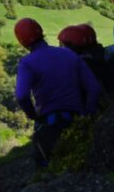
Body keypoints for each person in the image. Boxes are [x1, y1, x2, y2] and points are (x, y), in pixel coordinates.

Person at [14, 18, 102, 166]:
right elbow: (93, 87)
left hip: (49, 122)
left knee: (48, 166)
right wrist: (88, 113)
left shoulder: (27, 63)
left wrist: (33, 115)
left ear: (21, 41)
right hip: (76, 117)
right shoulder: (68, 54)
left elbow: (22, 96)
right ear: (41, 32)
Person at [57, 24, 114, 96]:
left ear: (72, 47)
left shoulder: (80, 66)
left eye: (61, 45)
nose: (59, 48)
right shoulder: (101, 57)